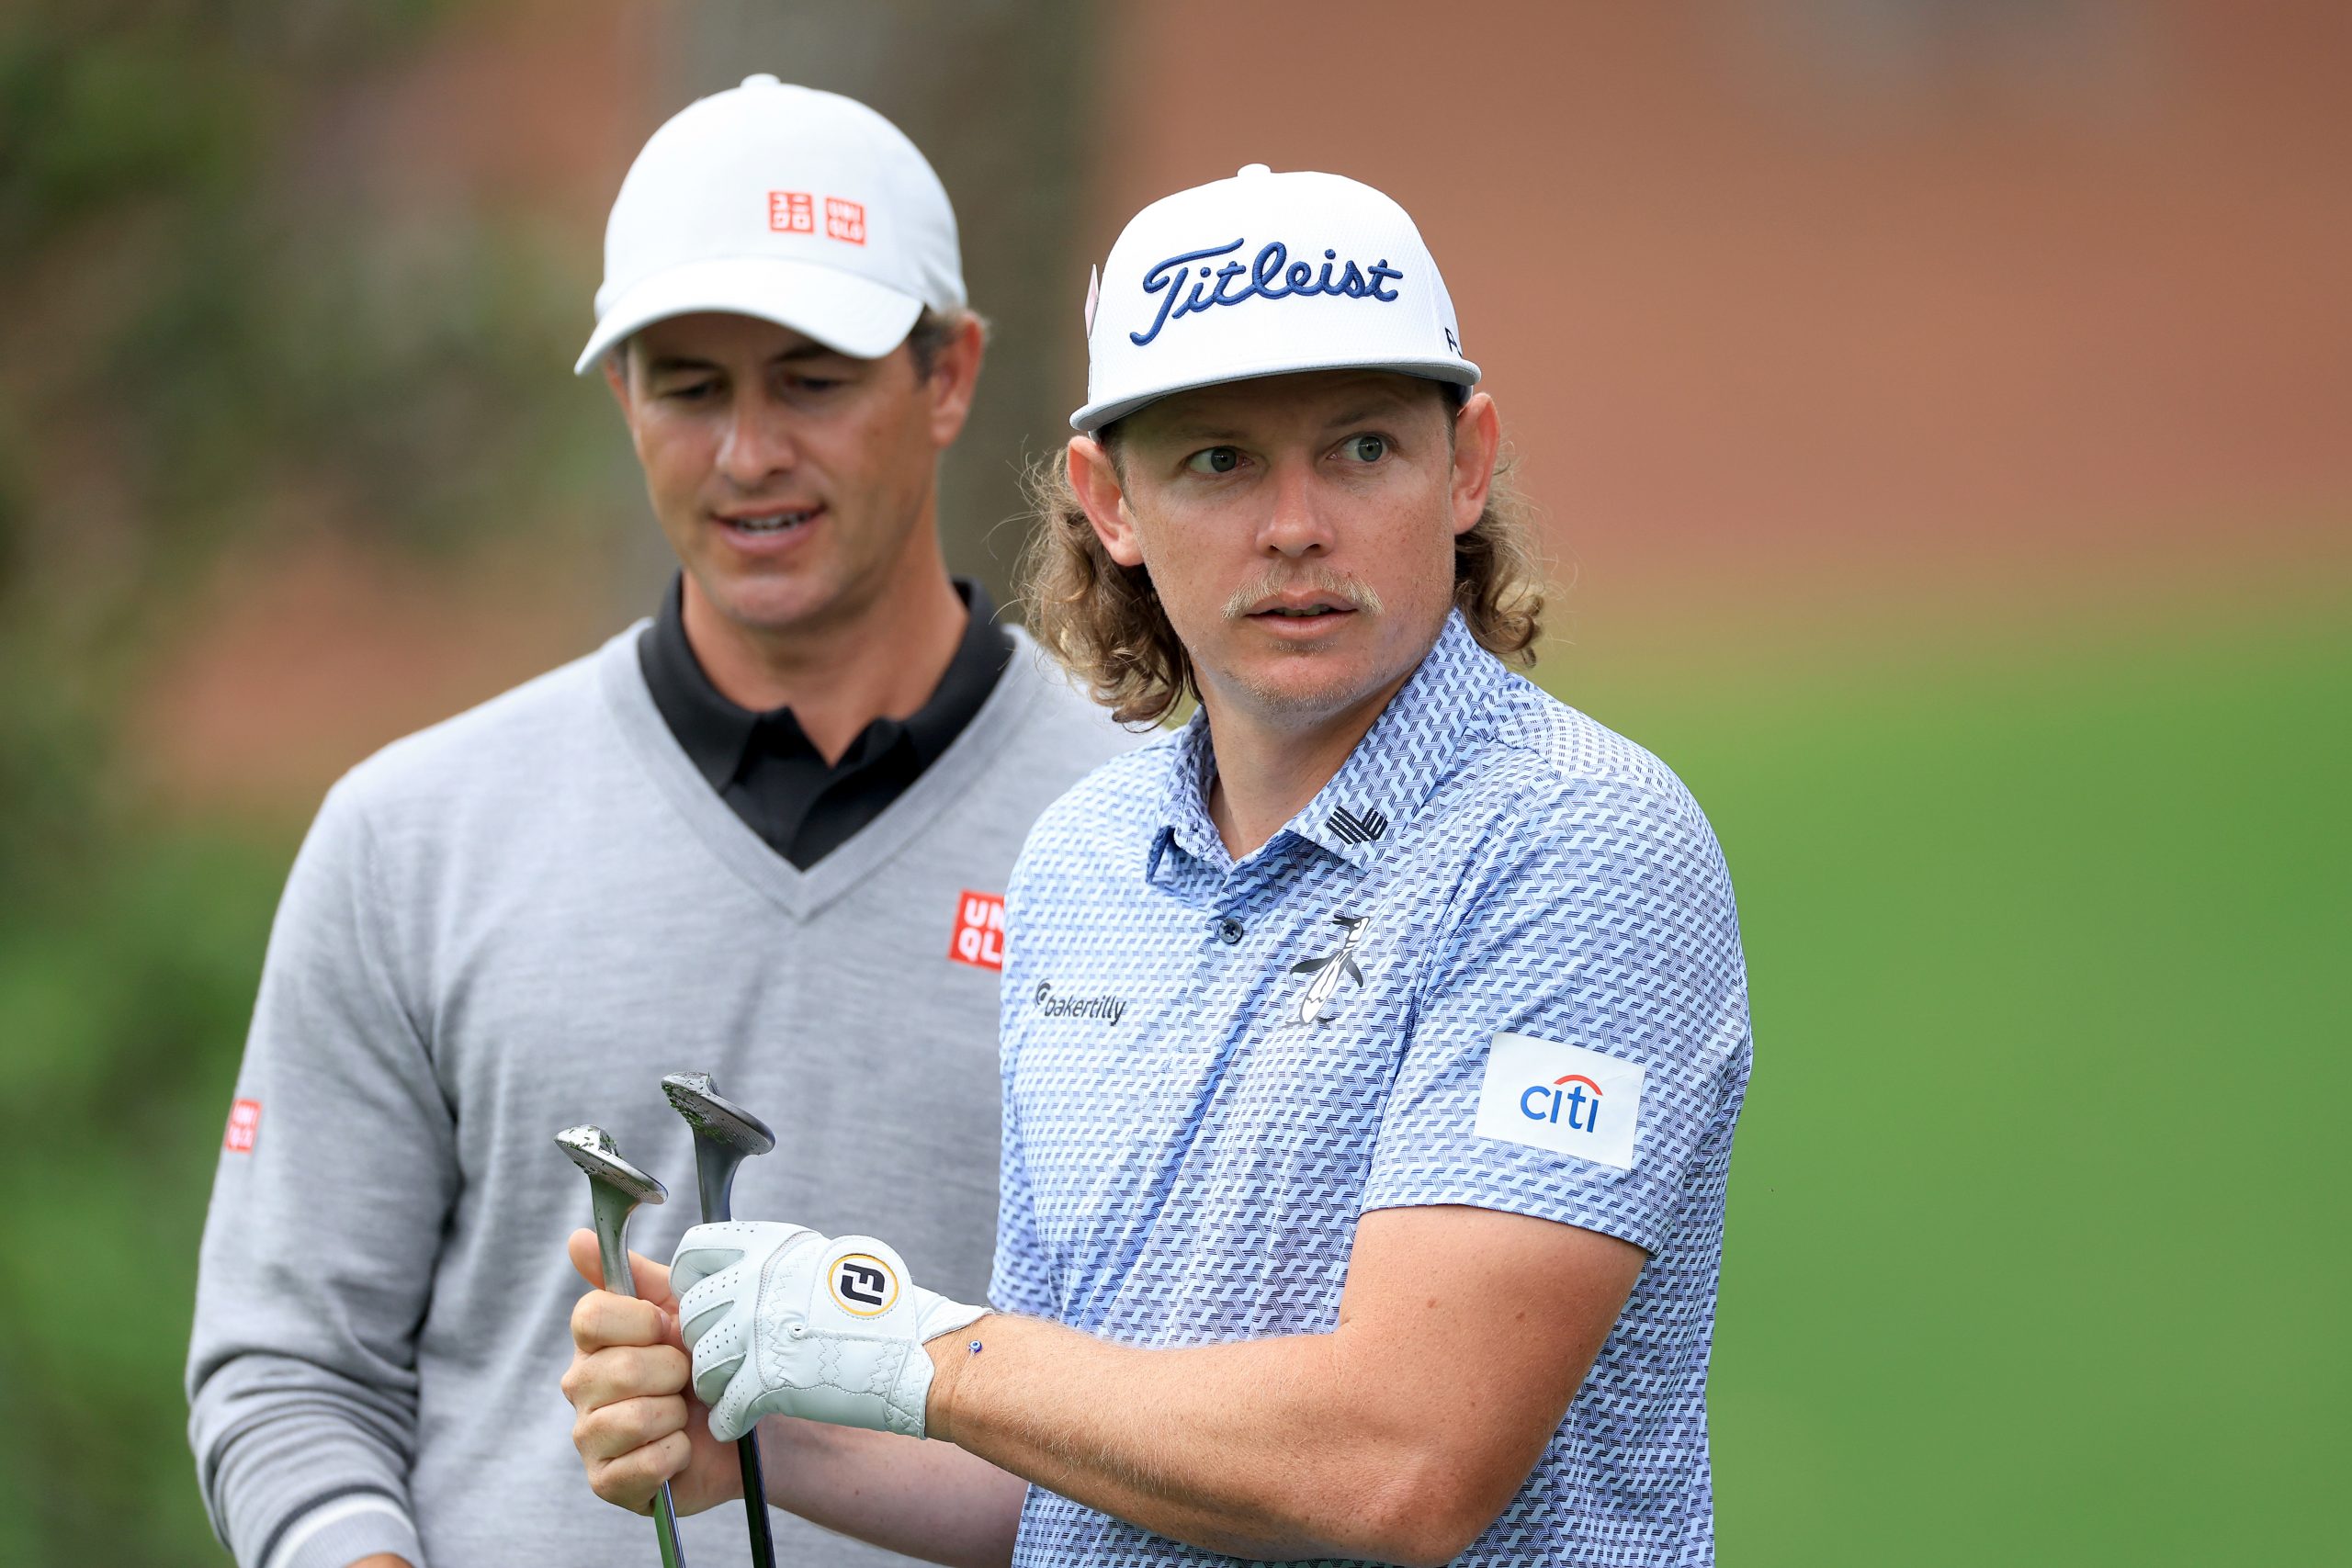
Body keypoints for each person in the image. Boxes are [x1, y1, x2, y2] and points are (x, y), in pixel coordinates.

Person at [562, 164, 1753, 1566]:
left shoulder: (1577, 841)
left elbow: (1403, 1463)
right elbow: (1068, 1462)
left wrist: (916, 1347)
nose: (1295, 523)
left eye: (1363, 449)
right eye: (1219, 461)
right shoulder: (1083, 859)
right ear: (1108, 499)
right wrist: (776, 1435)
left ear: (1468, 461)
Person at [185, 76, 1134, 1568]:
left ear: (950, 374)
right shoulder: (409, 840)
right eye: (688, 384)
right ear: (623, 391)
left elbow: (1211, 1415)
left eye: (812, 378)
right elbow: (289, 1370)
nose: (747, 452)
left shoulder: (1159, 842)